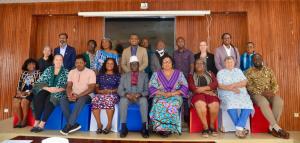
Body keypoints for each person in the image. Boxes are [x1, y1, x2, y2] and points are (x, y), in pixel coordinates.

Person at [245, 54, 289, 139]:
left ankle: (272, 127)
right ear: (252, 61)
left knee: (279, 101)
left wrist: (272, 92)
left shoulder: (269, 70)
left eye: (259, 58)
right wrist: (261, 92)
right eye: (255, 59)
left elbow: (275, 84)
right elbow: (249, 86)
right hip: (257, 94)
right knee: (263, 102)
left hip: (270, 93)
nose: (257, 60)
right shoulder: (249, 72)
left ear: (262, 59)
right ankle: (277, 127)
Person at [149, 55, 188, 137]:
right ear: (161, 64)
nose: (166, 63)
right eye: (164, 62)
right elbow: (151, 87)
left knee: (171, 105)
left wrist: (172, 94)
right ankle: (160, 128)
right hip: (160, 95)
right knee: (159, 104)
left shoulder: (179, 74)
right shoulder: (156, 74)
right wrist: (163, 94)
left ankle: (170, 128)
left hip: (175, 96)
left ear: (172, 63)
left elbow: (185, 86)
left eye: (168, 61)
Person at [217, 56, 253, 138]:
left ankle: (239, 128)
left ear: (234, 63)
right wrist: (232, 89)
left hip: (240, 92)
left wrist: (235, 85)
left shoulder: (238, 71)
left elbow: (244, 82)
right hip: (227, 93)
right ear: (224, 64)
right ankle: (241, 128)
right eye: (227, 62)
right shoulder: (220, 72)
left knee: (248, 104)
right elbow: (220, 85)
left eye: (231, 62)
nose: (229, 64)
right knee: (230, 103)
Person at [31, 54, 68, 133]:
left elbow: (67, 85)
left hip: (59, 92)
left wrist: (57, 89)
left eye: (60, 60)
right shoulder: (49, 69)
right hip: (47, 89)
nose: (58, 61)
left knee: (51, 99)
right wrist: (49, 88)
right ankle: (37, 121)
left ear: (62, 61)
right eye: (56, 60)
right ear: (54, 61)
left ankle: (42, 124)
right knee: (39, 96)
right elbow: (39, 82)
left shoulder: (66, 71)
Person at [60, 55, 96, 135]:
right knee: (62, 99)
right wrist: (69, 94)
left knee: (81, 100)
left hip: (87, 95)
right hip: (74, 94)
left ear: (85, 63)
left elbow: (91, 88)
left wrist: (78, 96)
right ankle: (74, 124)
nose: (78, 64)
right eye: (77, 63)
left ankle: (69, 125)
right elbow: (69, 86)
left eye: (81, 63)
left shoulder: (91, 72)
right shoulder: (72, 72)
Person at [118, 56, 149, 138]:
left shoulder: (145, 75)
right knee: (122, 101)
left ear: (139, 65)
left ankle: (144, 128)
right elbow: (119, 90)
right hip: (128, 96)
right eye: (132, 64)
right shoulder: (124, 76)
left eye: (136, 64)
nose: (134, 66)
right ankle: (124, 128)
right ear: (130, 66)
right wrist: (127, 95)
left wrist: (139, 94)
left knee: (144, 101)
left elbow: (147, 90)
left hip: (139, 96)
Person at [187, 58, 219, 137]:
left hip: (210, 94)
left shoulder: (211, 73)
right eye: (197, 63)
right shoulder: (191, 76)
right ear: (194, 66)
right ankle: (205, 128)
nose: (199, 65)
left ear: (204, 66)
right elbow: (192, 87)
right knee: (201, 104)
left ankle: (211, 126)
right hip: (197, 95)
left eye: (201, 63)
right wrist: (206, 91)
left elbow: (215, 84)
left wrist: (202, 89)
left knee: (214, 104)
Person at [92, 58, 121, 134]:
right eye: (108, 63)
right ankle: (99, 125)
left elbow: (119, 88)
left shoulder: (118, 76)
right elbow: (96, 88)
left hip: (113, 94)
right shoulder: (100, 75)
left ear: (114, 65)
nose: (109, 65)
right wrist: (100, 91)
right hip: (101, 93)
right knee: (95, 100)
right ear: (105, 65)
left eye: (112, 63)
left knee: (108, 99)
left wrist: (110, 91)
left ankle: (109, 125)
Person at [13, 58, 40, 128]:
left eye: (33, 64)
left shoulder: (38, 73)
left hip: (32, 93)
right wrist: (19, 92)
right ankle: (19, 120)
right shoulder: (24, 73)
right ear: (26, 66)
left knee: (24, 102)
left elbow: (38, 86)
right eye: (29, 64)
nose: (31, 65)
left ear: (35, 65)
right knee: (15, 101)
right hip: (22, 92)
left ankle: (24, 120)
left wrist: (29, 92)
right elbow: (19, 84)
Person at [173, 36, 194, 124]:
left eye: (182, 41)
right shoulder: (174, 53)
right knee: (178, 96)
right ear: (176, 43)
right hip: (177, 78)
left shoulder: (189, 53)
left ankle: (186, 116)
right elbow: (173, 66)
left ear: (184, 43)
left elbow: (192, 65)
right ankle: (179, 117)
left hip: (186, 77)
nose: (180, 43)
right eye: (178, 41)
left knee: (186, 96)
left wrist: (190, 76)